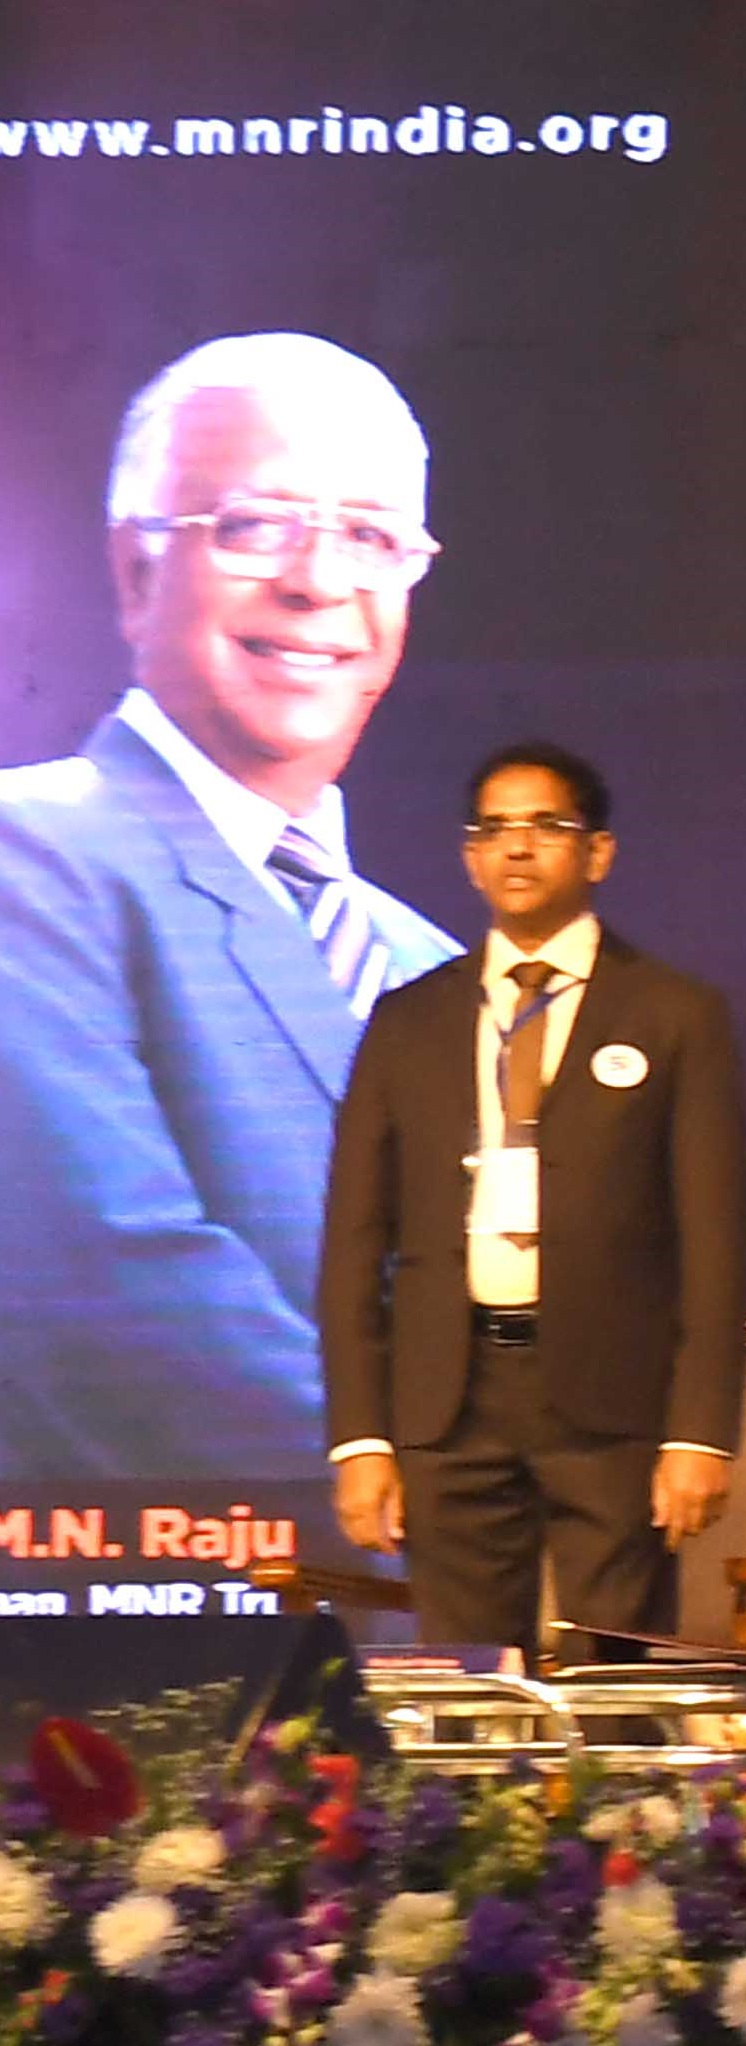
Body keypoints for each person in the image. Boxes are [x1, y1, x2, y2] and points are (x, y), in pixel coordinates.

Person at [0, 334, 469, 1480]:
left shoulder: (438, 969)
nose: (319, 581)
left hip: (443, 1648)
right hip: (146, 1641)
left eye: (370, 536)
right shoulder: (29, 857)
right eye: (258, 524)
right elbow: (108, 1298)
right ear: (135, 572)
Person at [313, 744, 746, 1660]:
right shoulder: (409, 1020)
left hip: (611, 1397)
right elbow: (355, 1242)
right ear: (471, 858)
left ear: (597, 853)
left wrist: (700, 1433)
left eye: (546, 826)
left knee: (607, 1682)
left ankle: (613, 1808)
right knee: (466, 1695)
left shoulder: (673, 1013)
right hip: (448, 1395)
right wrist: (360, 1437)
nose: (517, 848)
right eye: (494, 829)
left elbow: (717, 1240)